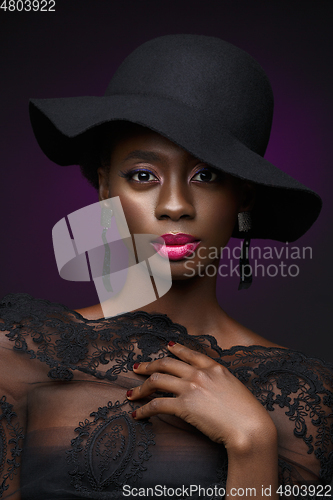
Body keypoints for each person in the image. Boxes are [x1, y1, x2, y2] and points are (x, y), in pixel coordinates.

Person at [0, 35, 332, 499]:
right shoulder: (18, 355)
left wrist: (252, 443)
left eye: (206, 175)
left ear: (244, 197)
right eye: (143, 176)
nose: (175, 205)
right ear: (103, 188)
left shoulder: (302, 398)